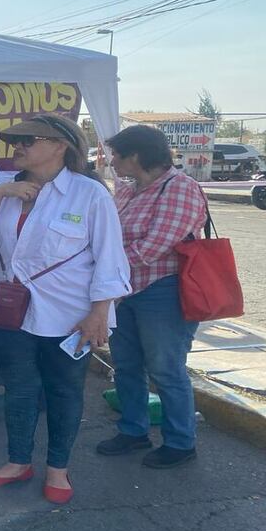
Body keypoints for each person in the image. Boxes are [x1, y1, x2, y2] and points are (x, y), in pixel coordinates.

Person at [0, 113, 131, 504]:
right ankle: (18, 462)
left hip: (69, 315)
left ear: (59, 146)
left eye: (28, 140)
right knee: (18, 388)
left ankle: (58, 468)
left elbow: (109, 259)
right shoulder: (1, 185)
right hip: (8, 310)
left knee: (64, 390)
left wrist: (100, 313)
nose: (17, 147)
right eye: (14, 140)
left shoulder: (89, 194)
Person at [98, 125, 208, 469]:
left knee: (166, 369)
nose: (111, 161)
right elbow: (107, 234)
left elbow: (154, 247)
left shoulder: (180, 189)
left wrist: (103, 263)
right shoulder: (128, 190)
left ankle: (180, 442)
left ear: (137, 155)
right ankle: (133, 430)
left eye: (117, 154)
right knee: (127, 365)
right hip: (124, 291)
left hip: (163, 290)